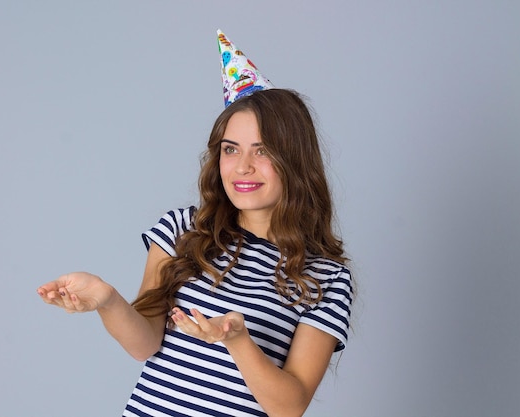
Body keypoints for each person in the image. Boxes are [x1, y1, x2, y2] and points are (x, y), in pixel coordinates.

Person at [37, 30, 353, 417]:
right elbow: (144, 345)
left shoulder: (326, 278)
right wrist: (107, 299)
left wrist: (237, 339)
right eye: (230, 149)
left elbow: (289, 407)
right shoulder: (181, 230)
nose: (243, 167)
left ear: (295, 161)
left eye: (263, 151)